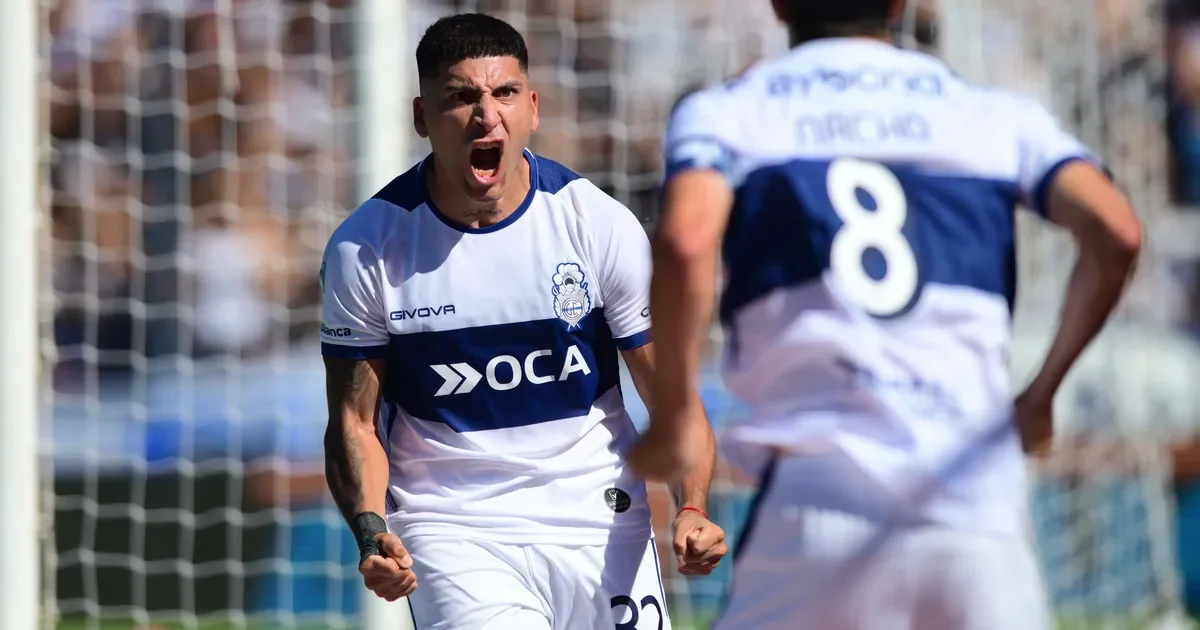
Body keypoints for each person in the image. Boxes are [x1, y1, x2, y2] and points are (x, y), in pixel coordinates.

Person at [629, 1, 1143, 628]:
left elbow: (686, 240)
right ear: (900, 5)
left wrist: (678, 412)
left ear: (780, 5)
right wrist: (1040, 394)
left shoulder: (732, 109)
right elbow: (1117, 231)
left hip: (820, 504)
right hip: (977, 513)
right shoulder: (994, 114)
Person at [319, 13, 726, 630]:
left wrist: (692, 506)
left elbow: (671, 397)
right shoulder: (366, 249)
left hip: (600, 517)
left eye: (504, 93)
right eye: (461, 97)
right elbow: (353, 422)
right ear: (422, 118)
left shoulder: (596, 225)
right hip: (453, 527)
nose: (487, 116)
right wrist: (373, 531)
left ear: (532, 107)